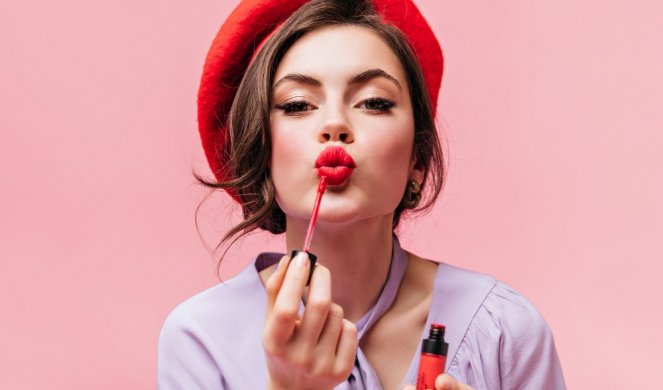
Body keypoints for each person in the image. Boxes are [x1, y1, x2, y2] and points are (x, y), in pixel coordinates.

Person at [157, 0, 566, 389]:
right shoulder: (200, 339)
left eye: (373, 101)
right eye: (298, 105)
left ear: (417, 160)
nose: (335, 124)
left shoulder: (505, 330)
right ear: (262, 155)